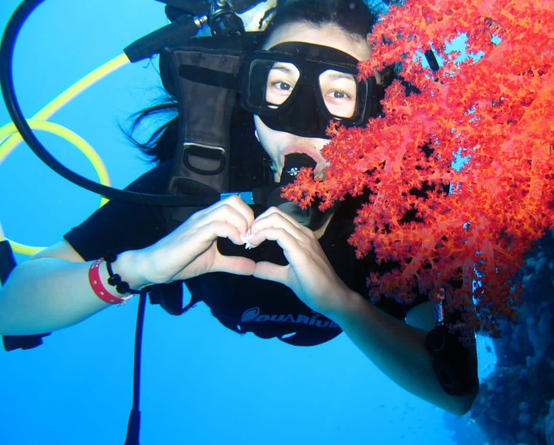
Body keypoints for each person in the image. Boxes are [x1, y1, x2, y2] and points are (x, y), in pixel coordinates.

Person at [0, 0, 477, 415]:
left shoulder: (404, 213)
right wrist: (136, 269)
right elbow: (9, 309)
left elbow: (456, 392)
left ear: (373, 115)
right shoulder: (197, 183)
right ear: (247, 95)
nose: (303, 123)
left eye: (339, 94)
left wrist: (342, 303)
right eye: (280, 85)